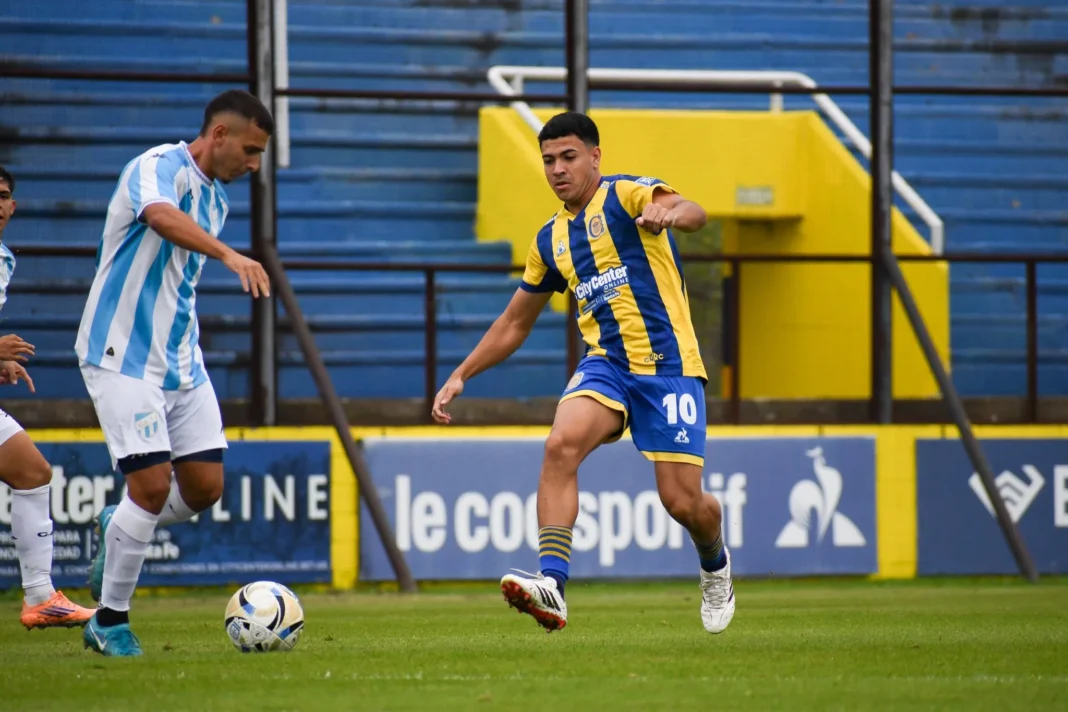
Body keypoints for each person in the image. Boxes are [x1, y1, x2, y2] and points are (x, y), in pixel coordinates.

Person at [432, 111, 735, 634]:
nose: (557, 169)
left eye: (568, 157)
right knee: (560, 444)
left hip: (669, 366)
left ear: (596, 156)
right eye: (548, 160)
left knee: (683, 502)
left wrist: (672, 215)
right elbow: (513, 322)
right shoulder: (550, 240)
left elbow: (692, 210)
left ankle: (715, 564)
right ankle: (553, 584)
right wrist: (462, 374)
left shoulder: (626, 195)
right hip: (607, 365)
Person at [76, 90, 273, 657]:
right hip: (120, 355)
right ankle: (109, 621)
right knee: (153, 485)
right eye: (251, 150)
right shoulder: (157, 167)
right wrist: (230, 256)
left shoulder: (217, 200)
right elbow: (159, 217)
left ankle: (119, 523)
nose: (254, 165)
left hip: (180, 362)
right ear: (218, 135)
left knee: (205, 488)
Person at [0, 166, 96, 630]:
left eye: (2, 196)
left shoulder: (3, 258)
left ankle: (41, 596)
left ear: (13, 207)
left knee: (32, 472)